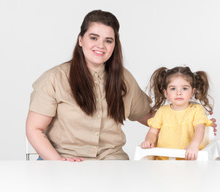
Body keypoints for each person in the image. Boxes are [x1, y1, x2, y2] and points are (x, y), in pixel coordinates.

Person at [25, 10, 152, 161]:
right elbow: (34, 129)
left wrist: (184, 114)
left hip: (112, 163)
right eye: (93, 38)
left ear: (114, 46)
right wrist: (58, 162)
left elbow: (151, 117)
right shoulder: (54, 78)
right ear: (80, 40)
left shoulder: (124, 79)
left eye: (108, 40)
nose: (101, 45)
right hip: (64, 161)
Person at [141, 66, 214, 160]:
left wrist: (194, 145)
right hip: (163, 161)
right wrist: (149, 140)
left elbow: (200, 129)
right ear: (166, 93)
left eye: (184, 88)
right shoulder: (162, 111)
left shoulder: (197, 110)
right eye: (173, 89)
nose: (178, 93)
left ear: (192, 92)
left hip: (190, 158)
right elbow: (153, 131)